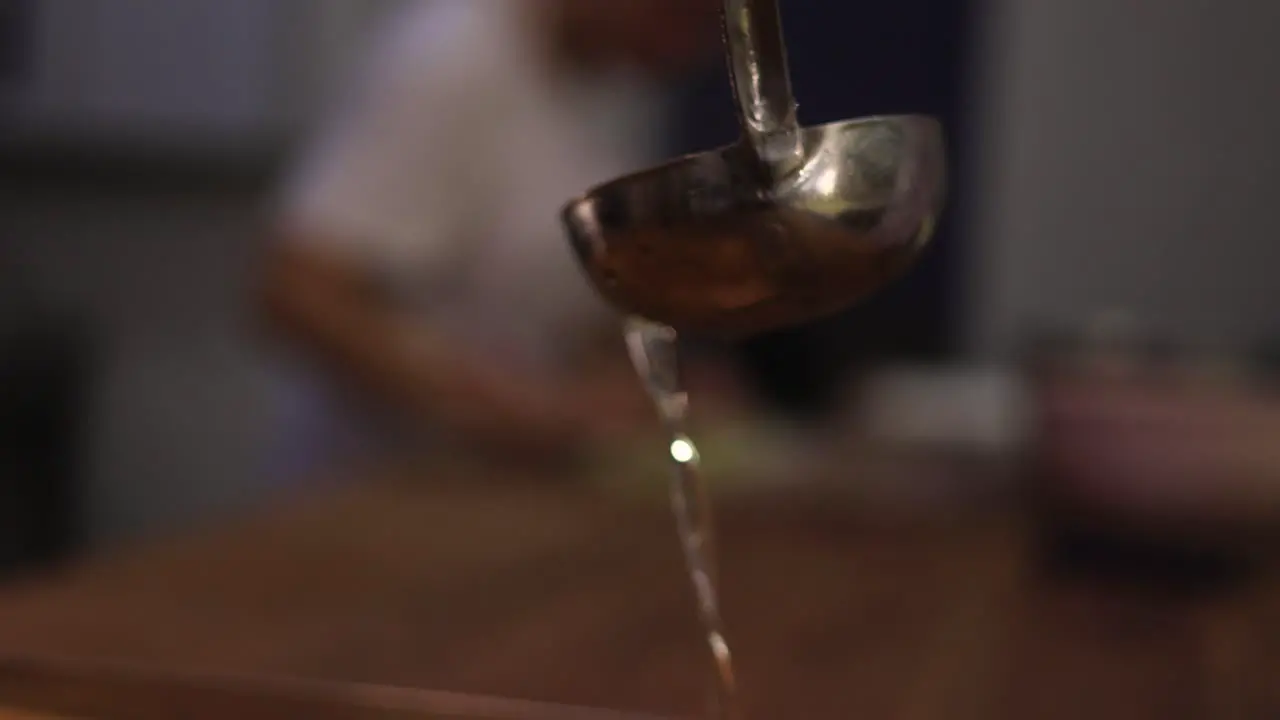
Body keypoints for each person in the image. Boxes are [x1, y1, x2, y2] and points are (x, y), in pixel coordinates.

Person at [258, 0, 721, 476]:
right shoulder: (454, 60)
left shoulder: (617, 79)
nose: (695, 46)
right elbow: (295, 289)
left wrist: (641, 381)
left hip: (504, 487)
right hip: (382, 486)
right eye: (683, 13)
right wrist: (493, 401)